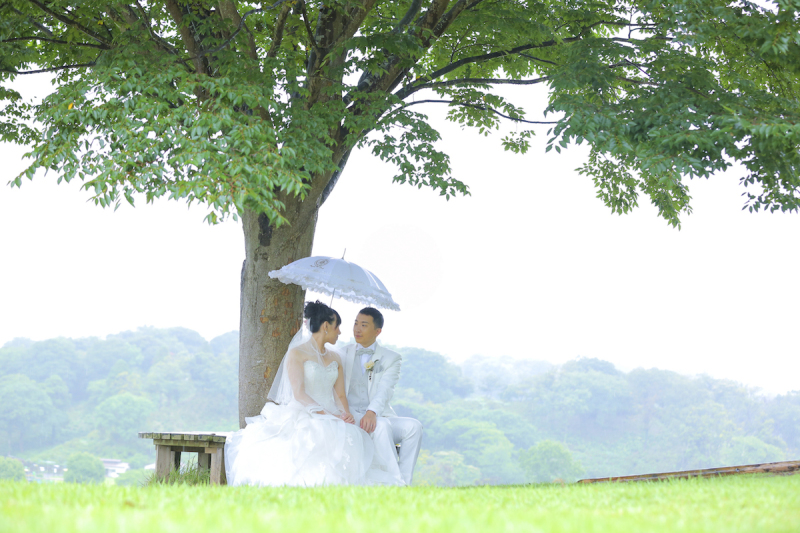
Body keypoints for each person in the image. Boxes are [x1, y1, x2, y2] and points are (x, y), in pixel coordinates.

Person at [224, 301, 400, 486]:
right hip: (304, 411)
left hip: (333, 413)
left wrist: (345, 414)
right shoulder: (297, 354)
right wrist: (327, 415)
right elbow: (299, 394)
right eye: (336, 326)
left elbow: (340, 395)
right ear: (326, 326)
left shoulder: (335, 357)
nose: (340, 332)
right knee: (312, 435)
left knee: (350, 433)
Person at [343, 307, 423, 485]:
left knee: (414, 427)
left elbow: (385, 389)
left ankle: (405, 481)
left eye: (364, 325)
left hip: (377, 413)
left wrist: (372, 411)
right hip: (351, 415)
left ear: (377, 331)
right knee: (381, 426)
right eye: (355, 323)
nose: (357, 329)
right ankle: (394, 483)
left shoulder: (391, 358)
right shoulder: (342, 354)